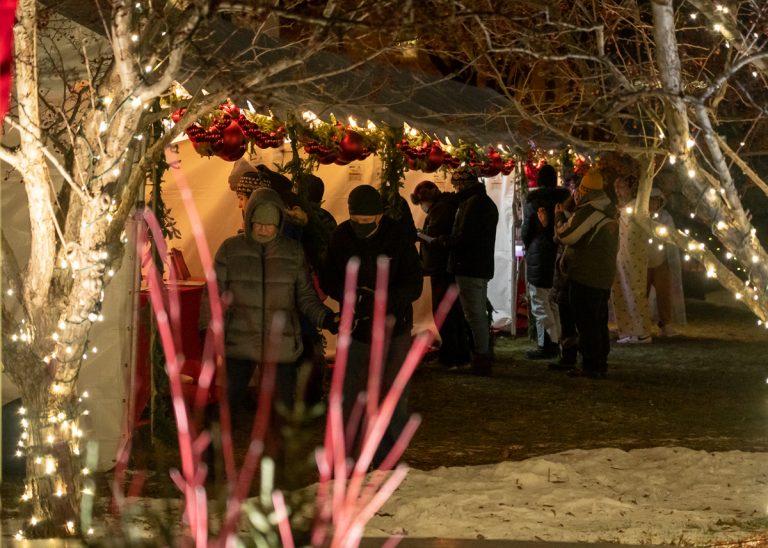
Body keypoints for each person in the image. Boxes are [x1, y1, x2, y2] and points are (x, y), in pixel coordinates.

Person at [198, 187, 339, 448]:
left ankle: (279, 467)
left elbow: (305, 296)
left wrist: (327, 319)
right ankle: (209, 461)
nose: (264, 230)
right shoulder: (230, 250)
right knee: (227, 407)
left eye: (270, 225)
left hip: (281, 345)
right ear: (249, 220)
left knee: (281, 411)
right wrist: (207, 328)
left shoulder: (293, 252)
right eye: (259, 224)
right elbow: (213, 292)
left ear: (279, 224)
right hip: (239, 343)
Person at [321, 184, 422, 468]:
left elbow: (413, 283)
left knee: (392, 395)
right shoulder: (341, 236)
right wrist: (351, 294)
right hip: (356, 329)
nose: (361, 228)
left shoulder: (398, 236)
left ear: (379, 217)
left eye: (367, 223)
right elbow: (328, 277)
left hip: (395, 328)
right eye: (356, 222)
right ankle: (347, 455)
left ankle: (387, 458)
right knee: (350, 394)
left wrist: (385, 300)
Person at [554, 168, 619, 378]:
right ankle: (599, 362)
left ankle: (591, 364)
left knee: (586, 321)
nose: (576, 194)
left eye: (579, 190)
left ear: (586, 192)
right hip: (602, 275)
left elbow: (567, 235)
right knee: (598, 321)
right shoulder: (607, 210)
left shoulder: (590, 211)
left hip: (586, 274)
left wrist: (558, 219)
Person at [438, 166, 499, 376]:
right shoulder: (481, 202)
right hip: (477, 265)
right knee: (476, 312)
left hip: (470, 265)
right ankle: (482, 353)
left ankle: (482, 357)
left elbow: (465, 237)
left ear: (463, 185)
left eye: (456, 185)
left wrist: (444, 241)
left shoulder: (473, 205)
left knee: (474, 314)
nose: (454, 189)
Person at [410, 180, 471, 370]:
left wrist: (419, 234)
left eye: (422, 203)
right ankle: (460, 355)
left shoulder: (441, 209)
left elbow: (435, 237)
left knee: (444, 312)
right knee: (453, 312)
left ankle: (450, 357)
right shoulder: (448, 206)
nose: (423, 208)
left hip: (440, 267)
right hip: (446, 267)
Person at [521, 164, 571, 360]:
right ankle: (557, 341)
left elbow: (527, 231)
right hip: (558, 254)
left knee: (540, 301)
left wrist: (530, 243)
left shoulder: (534, 201)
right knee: (552, 301)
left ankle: (548, 343)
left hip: (539, 254)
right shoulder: (565, 201)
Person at [611, 175, 653, 344]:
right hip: (621, 255)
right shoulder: (620, 209)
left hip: (634, 255)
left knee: (634, 291)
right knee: (621, 290)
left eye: (621, 186)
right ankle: (627, 330)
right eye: (616, 187)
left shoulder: (637, 208)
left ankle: (642, 332)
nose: (618, 191)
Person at [647, 187, 686, 336]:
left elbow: (671, 238)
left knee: (664, 294)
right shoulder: (641, 216)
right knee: (641, 294)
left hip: (661, 261)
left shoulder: (665, 218)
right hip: (643, 261)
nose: (653, 204)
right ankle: (640, 323)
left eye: (656, 201)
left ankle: (665, 323)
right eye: (650, 200)